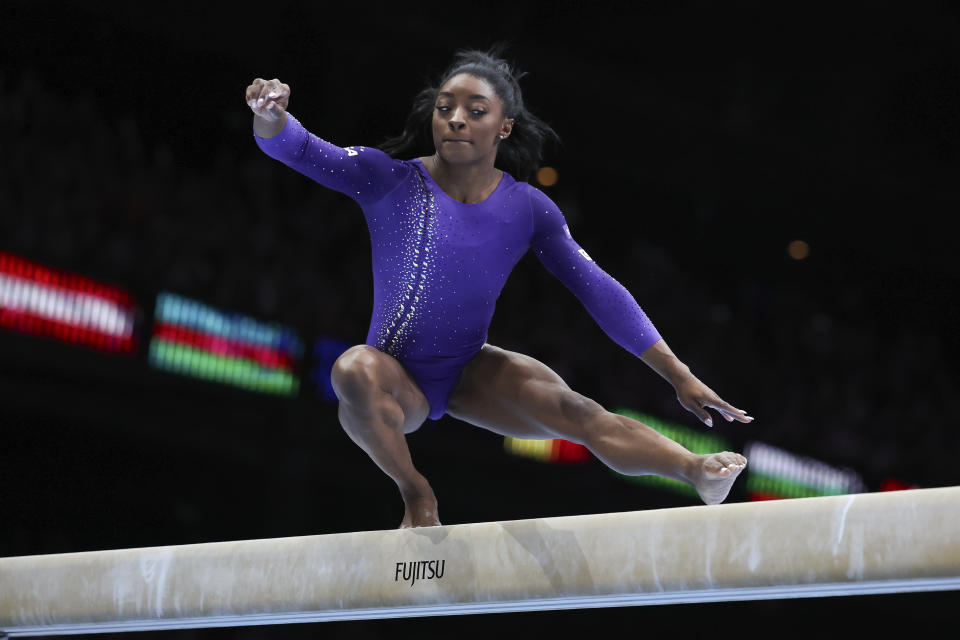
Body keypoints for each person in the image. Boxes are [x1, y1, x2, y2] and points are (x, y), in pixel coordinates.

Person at [246, 47, 752, 528]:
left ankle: (694, 471)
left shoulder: (527, 209)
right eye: (444, 108)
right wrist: (270, 114)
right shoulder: (389, 179)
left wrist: (679, 375)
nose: (456, 118)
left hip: (471, 371)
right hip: (394, 381)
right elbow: (302, 149)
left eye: (475, 109)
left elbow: (600, 290)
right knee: (351, 368)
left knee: (580, 412)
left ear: (503, 126)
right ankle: (417, 492)